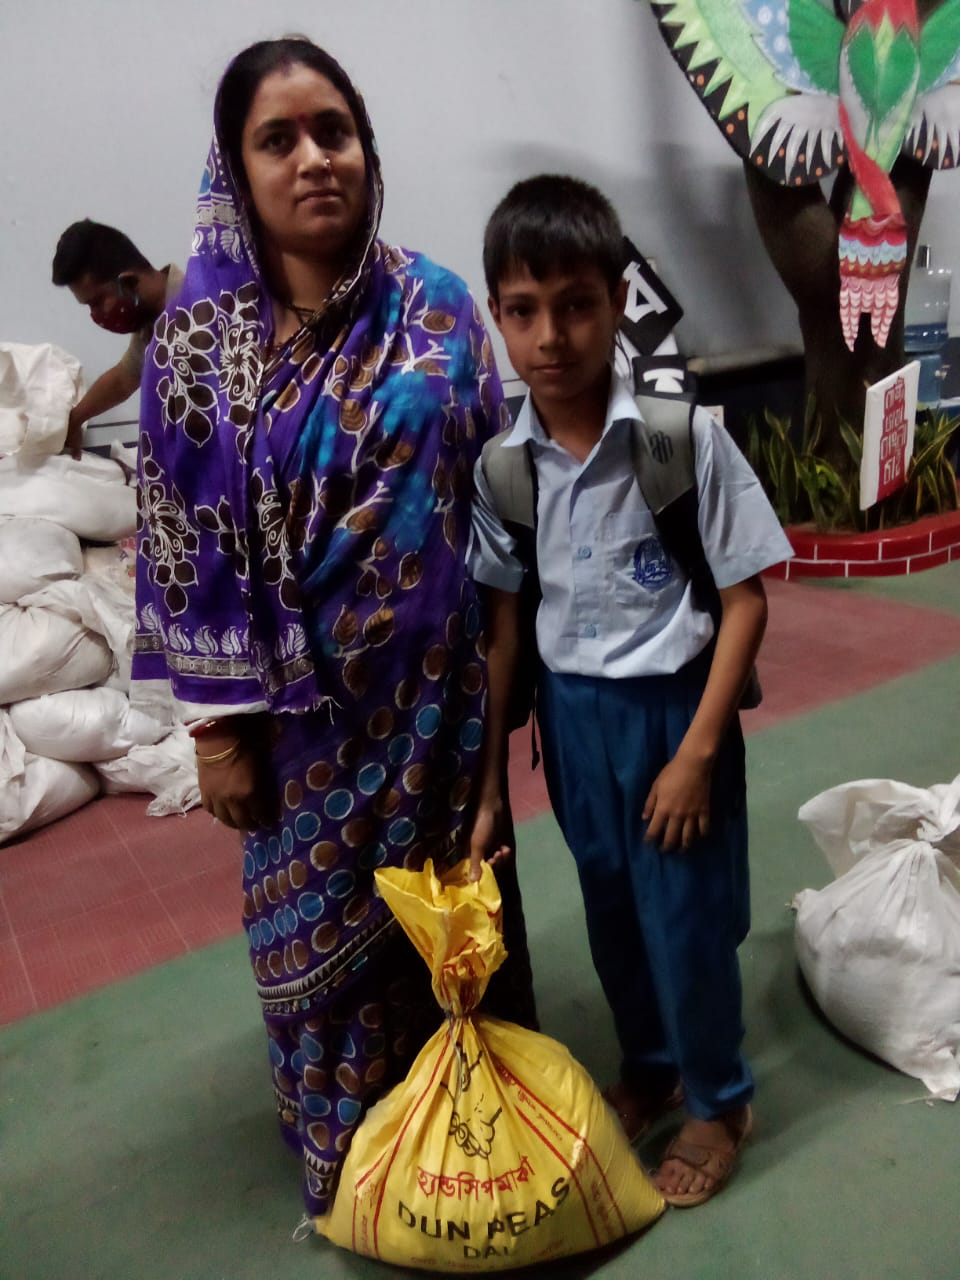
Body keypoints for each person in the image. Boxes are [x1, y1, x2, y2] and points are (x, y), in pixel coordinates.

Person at [132, 38, 535, 1222]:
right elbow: (180, 539)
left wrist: (517, 673)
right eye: (279, 139)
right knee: (318, 956)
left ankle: (479, 1154)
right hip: (304, 733)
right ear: (236, 171)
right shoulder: (200, 350)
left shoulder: (440, 305)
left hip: (443, 706)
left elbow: (495, 494)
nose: (314, 158)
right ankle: (360, 1171)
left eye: (334, 131)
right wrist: (216, 732)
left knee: (454, 917)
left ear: (366, 147)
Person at [467, 174, 793, 1208]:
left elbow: (744, 603)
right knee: (611, 911)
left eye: (576, 305)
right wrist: (488, 786)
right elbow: (504, 631)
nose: (551, 336)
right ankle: (651, 1067)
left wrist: (697, 752)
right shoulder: (503, 469)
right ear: (497, 316)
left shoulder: (678, 438)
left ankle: (720, 1099)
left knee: (685, 918)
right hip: (573, 723)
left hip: (673, 713)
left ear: (618, 302)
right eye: (524, 310)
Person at [51, 220, 184, 457]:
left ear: (129, 282)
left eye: (97, 302)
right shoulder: (152, 326)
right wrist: (75, 420)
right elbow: (124, 378)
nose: (96, 315)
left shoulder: (207, 308)